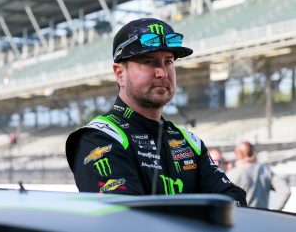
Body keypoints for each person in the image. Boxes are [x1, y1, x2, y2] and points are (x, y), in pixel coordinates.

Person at [65, 18, 246, 206]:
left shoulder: (190, 143)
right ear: (120, 73)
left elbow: (234, 200)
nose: (162, 72)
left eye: (168, 62)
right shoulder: (98, 138)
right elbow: (127, 218)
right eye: (149, 61)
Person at [227, 141, 291, 210]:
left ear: (238, 154)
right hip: (262, 218)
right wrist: (275, 210)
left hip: (241, 217)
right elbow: (285, 191)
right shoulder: (266, 170)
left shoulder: (233, 173)